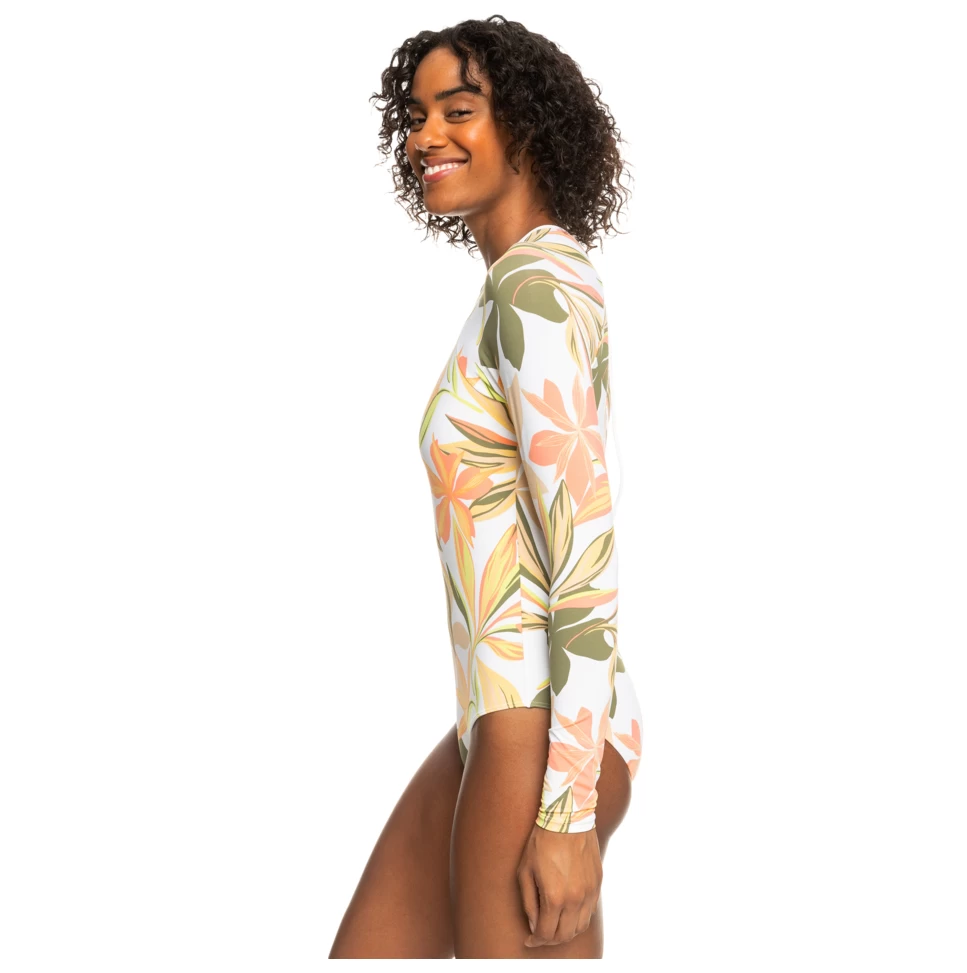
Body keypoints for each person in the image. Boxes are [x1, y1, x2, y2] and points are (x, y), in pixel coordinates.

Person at [330, 15, 643, 959]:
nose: (425, 134)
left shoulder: (535, 289)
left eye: (457, 109)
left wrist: (566, 810)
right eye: (415, 115)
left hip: (537, 730)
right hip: (494, 717)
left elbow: (584, 554)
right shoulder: (515, 285)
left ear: (529, 127)